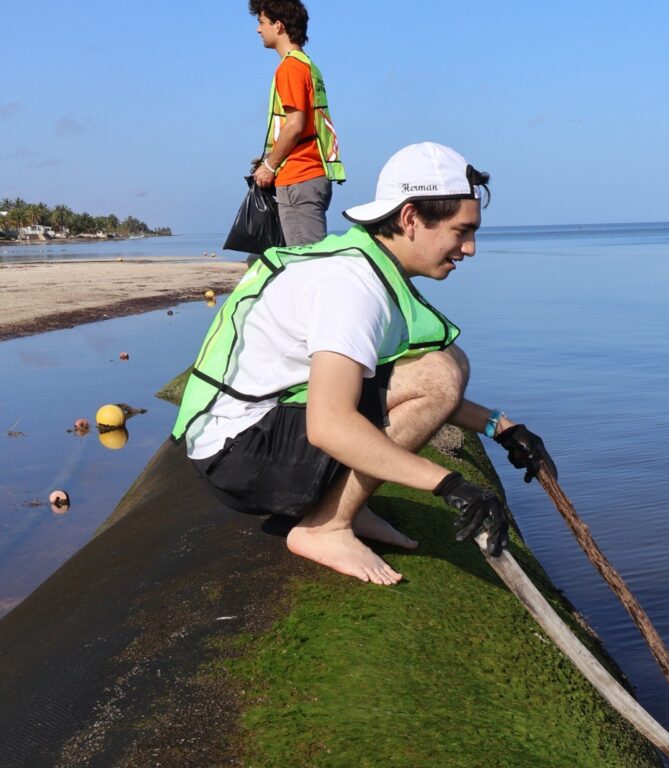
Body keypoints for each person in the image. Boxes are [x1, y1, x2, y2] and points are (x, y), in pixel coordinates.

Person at [172, 142, 556, 586]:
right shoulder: (351, 287)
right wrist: (450, 485)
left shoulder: (367, 263)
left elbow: (393, 385)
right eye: (461, 231)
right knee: (441, 371)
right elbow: (329, 426)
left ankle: (345, 508)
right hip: (239, 457)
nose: (469, 248)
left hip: (253, 436)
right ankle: (326, 527)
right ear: (410, 218)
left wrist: (501, 428)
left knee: (444, 364)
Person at [250, 0, 344, 246]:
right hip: (311, 174)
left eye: (261, 22)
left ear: (278, 25)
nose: (258, 29)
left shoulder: (290, 68)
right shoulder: (308, 65)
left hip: (299, 177)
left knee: (307, 262)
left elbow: (295, 125)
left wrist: (269, 166)